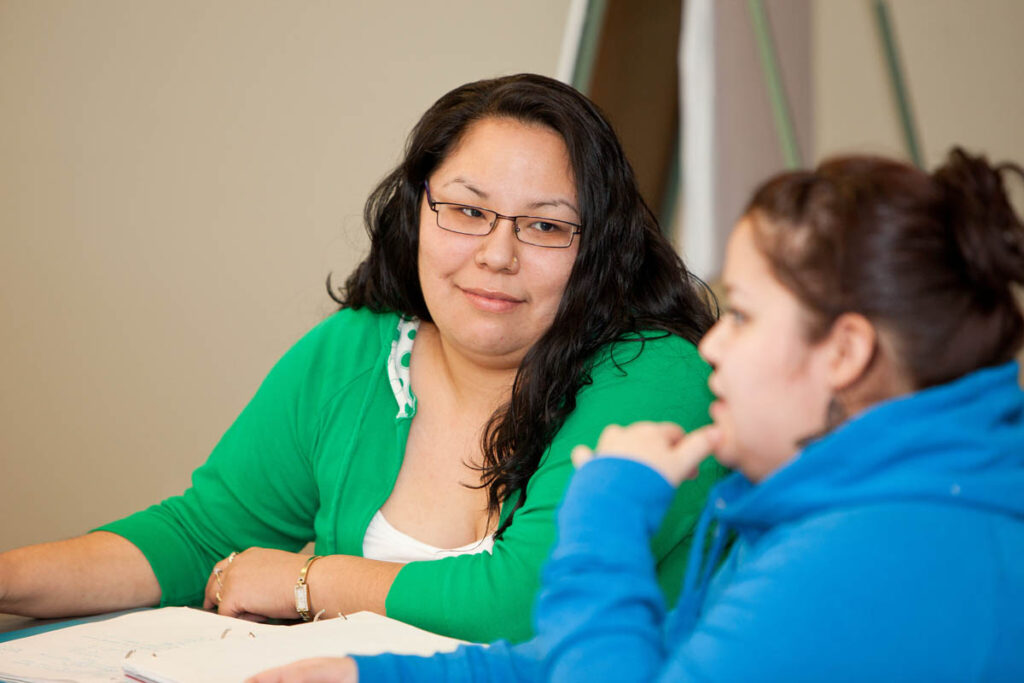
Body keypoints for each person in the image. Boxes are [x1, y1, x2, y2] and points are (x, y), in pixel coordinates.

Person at [0, 73, 725, 644]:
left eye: (545, 226)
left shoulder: (654, 372)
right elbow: (202, 535)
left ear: (599, 248)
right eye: (467, 210)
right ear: (418, 210)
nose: (496, 255)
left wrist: (307, 582)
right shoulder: (359, 346)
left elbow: (526, 601)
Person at [253, 147, 1024, 681]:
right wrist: (370, 675)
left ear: (845, 353)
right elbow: (650, 658)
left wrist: (605, 518)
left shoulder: (876, 554)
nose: (713, 347)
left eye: (746, 316)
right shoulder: (855, 514)